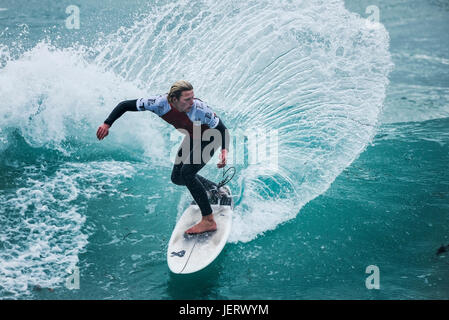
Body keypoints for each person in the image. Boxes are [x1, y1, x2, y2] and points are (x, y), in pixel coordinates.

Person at [96, 80, 230, 234]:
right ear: (173, 99)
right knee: (178, 178)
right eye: (187, 99)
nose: (192, 102)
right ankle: (214, 190)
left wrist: (224, 151)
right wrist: (107, 124)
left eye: (193, 97)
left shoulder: (200, 110)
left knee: (187, 173)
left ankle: (208, 220)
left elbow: (222, 129)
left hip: (211, 137)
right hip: (193, 136)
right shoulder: (158, 104)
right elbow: (125, 105)